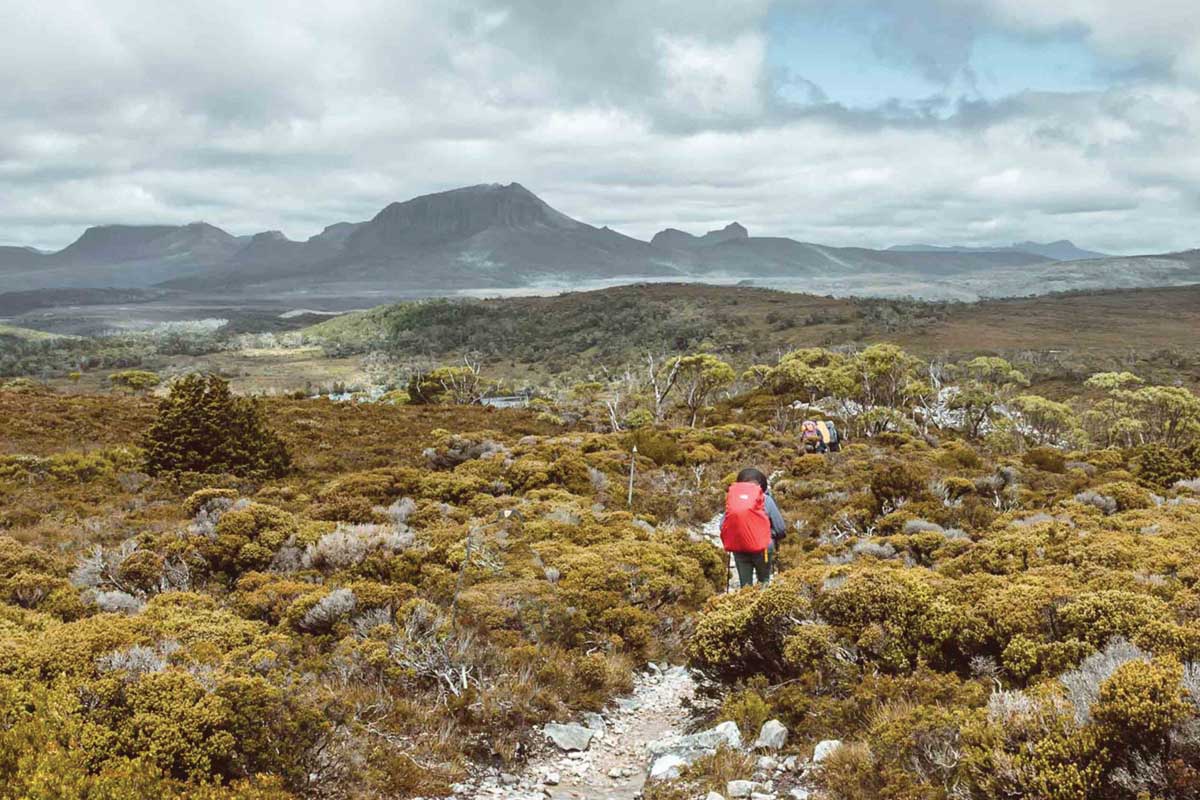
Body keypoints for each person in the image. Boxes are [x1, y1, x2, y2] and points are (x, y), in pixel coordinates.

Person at [720, 467, 787, 588]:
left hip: (739, 548)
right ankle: (763, 604)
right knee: (764, 581)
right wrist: (773, 536)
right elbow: (780, 528)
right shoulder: (766, 499)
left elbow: (722, 524)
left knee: (745, 586)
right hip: (763, 549)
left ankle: (746, 604)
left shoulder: (734, 499)